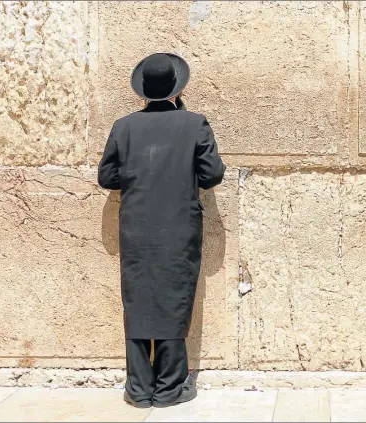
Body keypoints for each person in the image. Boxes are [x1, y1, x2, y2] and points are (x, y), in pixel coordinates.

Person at [97, 53, 226, 408]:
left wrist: (140, 175)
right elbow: (213, 173)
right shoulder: (194, 123)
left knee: (137, 301)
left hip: (136, 228)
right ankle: (170, 388)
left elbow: (106, 176)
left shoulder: (123, 127)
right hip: (179, 227)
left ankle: (138, 388)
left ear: (143, 91)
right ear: (175, 88)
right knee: (173, 298)